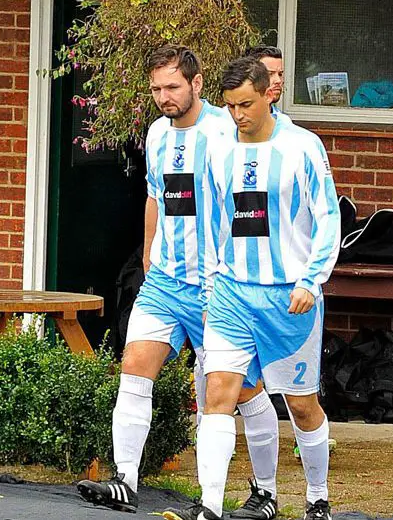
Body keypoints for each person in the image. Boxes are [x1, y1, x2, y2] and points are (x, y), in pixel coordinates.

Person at [78, 46, 281, 519]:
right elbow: (155, 196)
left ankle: (265, 491)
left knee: (239, 393)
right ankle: (125, 478)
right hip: (166, 281)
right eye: (156, 89)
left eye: (172, 87)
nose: (164, 97)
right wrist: (149, 256)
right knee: (134, 367)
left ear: (197, 83)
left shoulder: (224, 130)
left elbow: (248, 202)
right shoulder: (155, 133)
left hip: (218, 286)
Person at [163, 57, 340, 520]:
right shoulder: (218, 152)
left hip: (289, 297)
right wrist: (208, 290)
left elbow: (328, 220)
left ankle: (317, 497)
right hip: (231, 293)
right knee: (219, 392)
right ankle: (212, 507)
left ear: (268, 95)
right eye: (229, 106)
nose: (237, 114)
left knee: (301, 407)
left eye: (245, 103)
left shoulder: (303, 147)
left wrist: (311, 279)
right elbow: (211, 225)